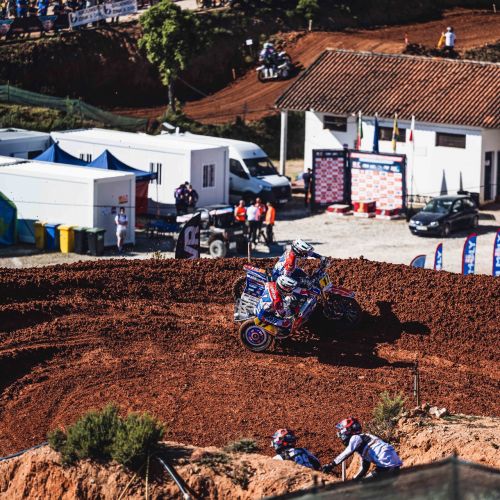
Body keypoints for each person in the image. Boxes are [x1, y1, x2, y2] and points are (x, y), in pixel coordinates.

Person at [322, 417, 403, 481]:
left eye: (342, 431)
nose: (341, 434)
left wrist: (331, 465)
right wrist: (355, 479)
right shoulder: (366, 441)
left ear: (348, 430)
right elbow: (365, 467)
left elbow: (347, 453)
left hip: (386, 465)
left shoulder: (356, 438)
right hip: (391, 465)